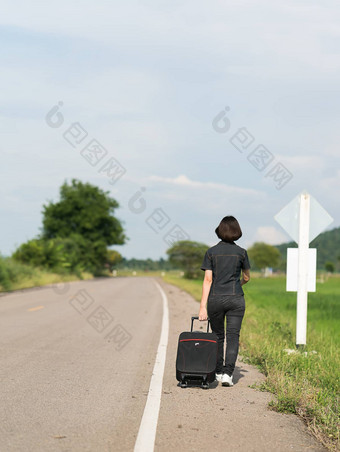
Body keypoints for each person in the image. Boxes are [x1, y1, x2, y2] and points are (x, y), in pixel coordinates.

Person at [199, 216, 250, 387]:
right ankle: (229, 374)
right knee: (233, 337)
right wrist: (237, 284)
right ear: (237, 231)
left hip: (216, 299)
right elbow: (247, 277)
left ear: (219, 230)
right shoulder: (242, 252)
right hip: (236, 299)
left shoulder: (211, 252)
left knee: (218, 336)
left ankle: (218, 372)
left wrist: (202, 308)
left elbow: (208, 280)